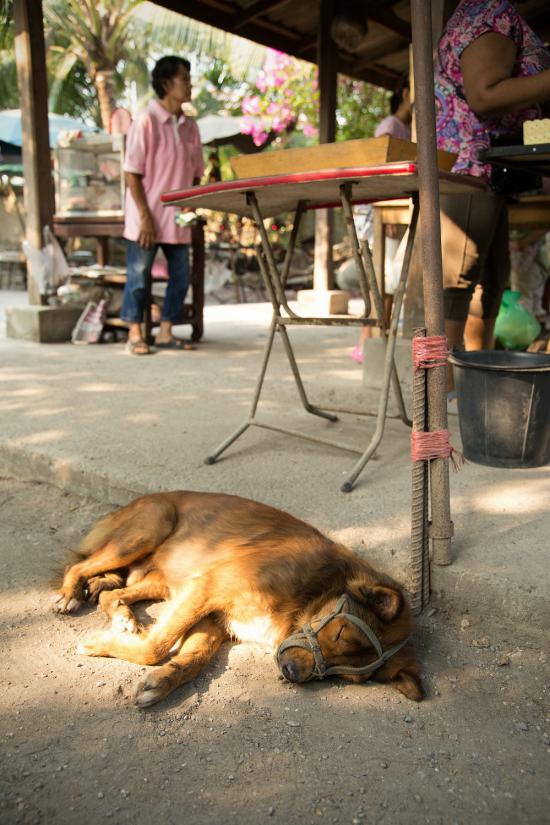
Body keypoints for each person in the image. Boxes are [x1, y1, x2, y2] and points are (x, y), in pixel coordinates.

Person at [433, 0, 550, 402]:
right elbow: (485, 94)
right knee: (456, 283)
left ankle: (471, 386)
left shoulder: (491, 12)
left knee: (490, 284)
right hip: (470, 165)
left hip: (488, 169)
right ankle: (439, 395)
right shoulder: (488, 11)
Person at [121, 55, 204, 355]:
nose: (189, 84)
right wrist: (144, 216)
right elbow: (131, 172)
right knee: (139, 277)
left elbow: (197, 174)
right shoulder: (146, 120)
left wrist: (190, 209)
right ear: (167, 83)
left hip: (176, 218)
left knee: (181, 276)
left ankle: (166, 331)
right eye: (184, 78)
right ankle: (134, 333)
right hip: (146, 216)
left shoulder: (190, 127)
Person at [349, 76, 413, 363]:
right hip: (383, 211)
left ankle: (378, 342)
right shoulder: (390, 127)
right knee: (380, 283)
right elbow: (379, 170)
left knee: (388, 283)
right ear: (405, 93)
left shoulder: (408, 128)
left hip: (395, 212)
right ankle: (368, 344)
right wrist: (385, 206)